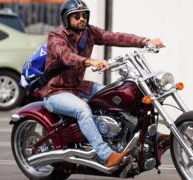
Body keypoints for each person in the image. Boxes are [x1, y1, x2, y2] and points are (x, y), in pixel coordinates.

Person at [42, 0, 167, 168]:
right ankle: (106, 155)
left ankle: (155, 137)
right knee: (82, 110)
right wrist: (89, 61)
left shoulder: (89, 33)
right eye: (76, 16)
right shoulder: (56, 37)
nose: (81, 19)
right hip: (56, 91)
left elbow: (115, 37)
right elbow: (66, 56)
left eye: (84, 15)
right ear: (66, 19)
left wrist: (145, 41)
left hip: (79, 87)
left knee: (115, 96)